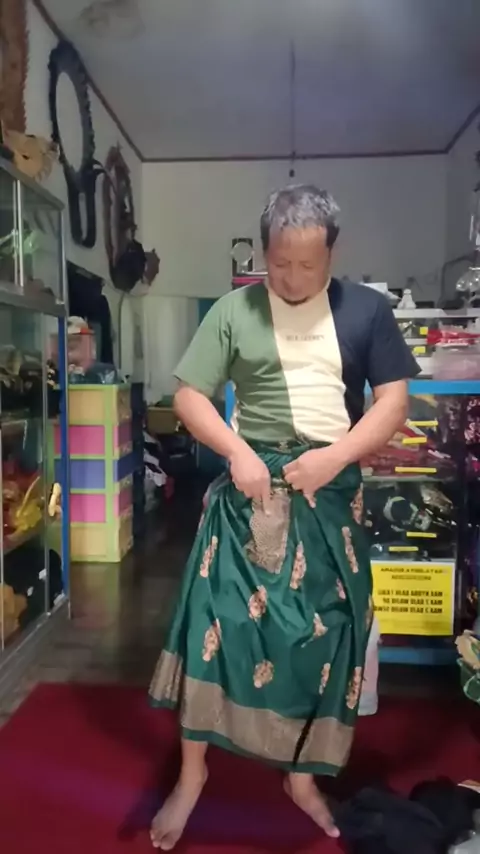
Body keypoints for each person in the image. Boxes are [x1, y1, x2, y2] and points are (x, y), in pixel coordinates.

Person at [149, 184, 419, 850]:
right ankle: (192, 774)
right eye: (279, 263)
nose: (293, 278)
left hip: (329, 489)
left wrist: (335, 457)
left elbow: (393, 402)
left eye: (308, 264)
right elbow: (189, 396)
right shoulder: (234, 310)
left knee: (328, 631)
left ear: (332, 254)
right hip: (251, 492)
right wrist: (237, 452)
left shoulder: (367, 310)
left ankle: (302, 778)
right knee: (214, 622)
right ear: (262, 252)